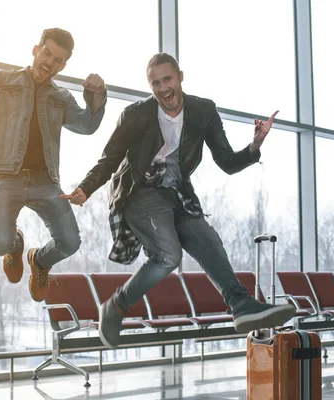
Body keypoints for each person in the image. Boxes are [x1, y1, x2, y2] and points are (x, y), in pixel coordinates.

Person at [61, 52, 296, 348]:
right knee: (169, 255)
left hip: (177, 192)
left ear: (180, 77)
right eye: (155, 83)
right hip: (141, 191)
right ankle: (115, 306)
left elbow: (226, 162)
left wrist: (255, 145)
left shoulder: (203, 111)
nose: (163, 88)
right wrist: (86, 188)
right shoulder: (136, 115)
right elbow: (110, 159)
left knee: (208, 239)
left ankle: (241, 305)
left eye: (168, 79)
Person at [0, 28, 107, 302]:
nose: (49, 63)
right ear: (35, 50)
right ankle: (15, 245)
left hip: (47, 183)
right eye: (47, 53)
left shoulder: (61, 97)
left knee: (70, 242)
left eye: (57, 60)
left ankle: (40, 262)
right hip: (5, 178)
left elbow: (88, 125)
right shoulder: (0, 82)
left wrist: (97, 95)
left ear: (64, 66)